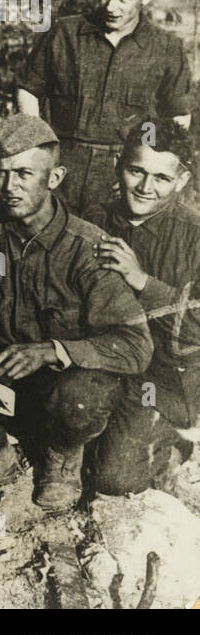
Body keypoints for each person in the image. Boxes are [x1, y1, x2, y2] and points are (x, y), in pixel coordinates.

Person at [0, 114, 153, 510]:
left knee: (84, 393)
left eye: (25, 174)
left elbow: (135, 345)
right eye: (1, 174)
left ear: (55, 178)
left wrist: (54, 350)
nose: (10, 187)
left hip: (60, 388)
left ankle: (61, 457)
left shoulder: (88, 248)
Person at [16, 0, 192, 214]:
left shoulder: (167, 48)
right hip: (59, 167)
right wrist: (38, 150)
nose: (111, 7)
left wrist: (144, 176)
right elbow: (28, 89)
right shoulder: (64, 33)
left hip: (122, 176)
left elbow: (177, 117)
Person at [84, 122, 200, 495]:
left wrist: (141, 280)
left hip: (160, 377)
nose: (146, 187)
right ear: (120, 165)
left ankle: (172, 441)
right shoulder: (93, 218)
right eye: (137, 171)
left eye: (162, 178)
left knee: (112, 479)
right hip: (101, 358)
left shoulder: (194, 236)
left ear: (182, 181)